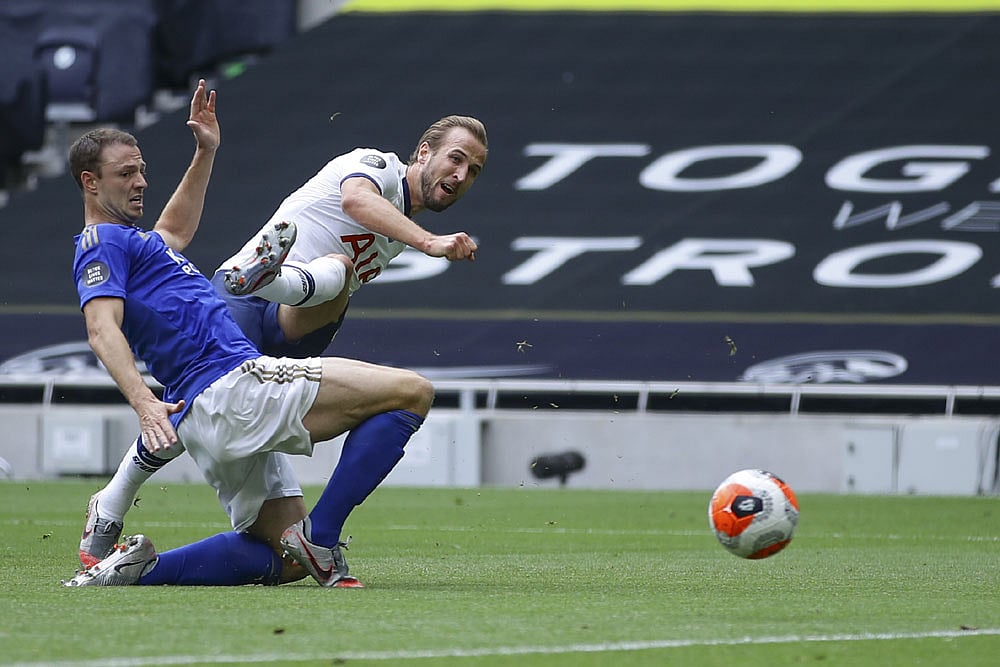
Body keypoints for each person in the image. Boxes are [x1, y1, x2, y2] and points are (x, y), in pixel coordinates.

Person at [62, 82, 444, 588]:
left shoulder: (139, 246)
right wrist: (143, 403)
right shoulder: (101, 241)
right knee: (412, 392)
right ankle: (322, 539)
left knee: (283, 561)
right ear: (90, 182)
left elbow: (174, 231)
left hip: (206, 417)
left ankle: (136, 573)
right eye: (125, 174)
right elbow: (100, 328)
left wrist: (205, 151)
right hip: (236, 387)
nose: (139, 183)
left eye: (142, 171)